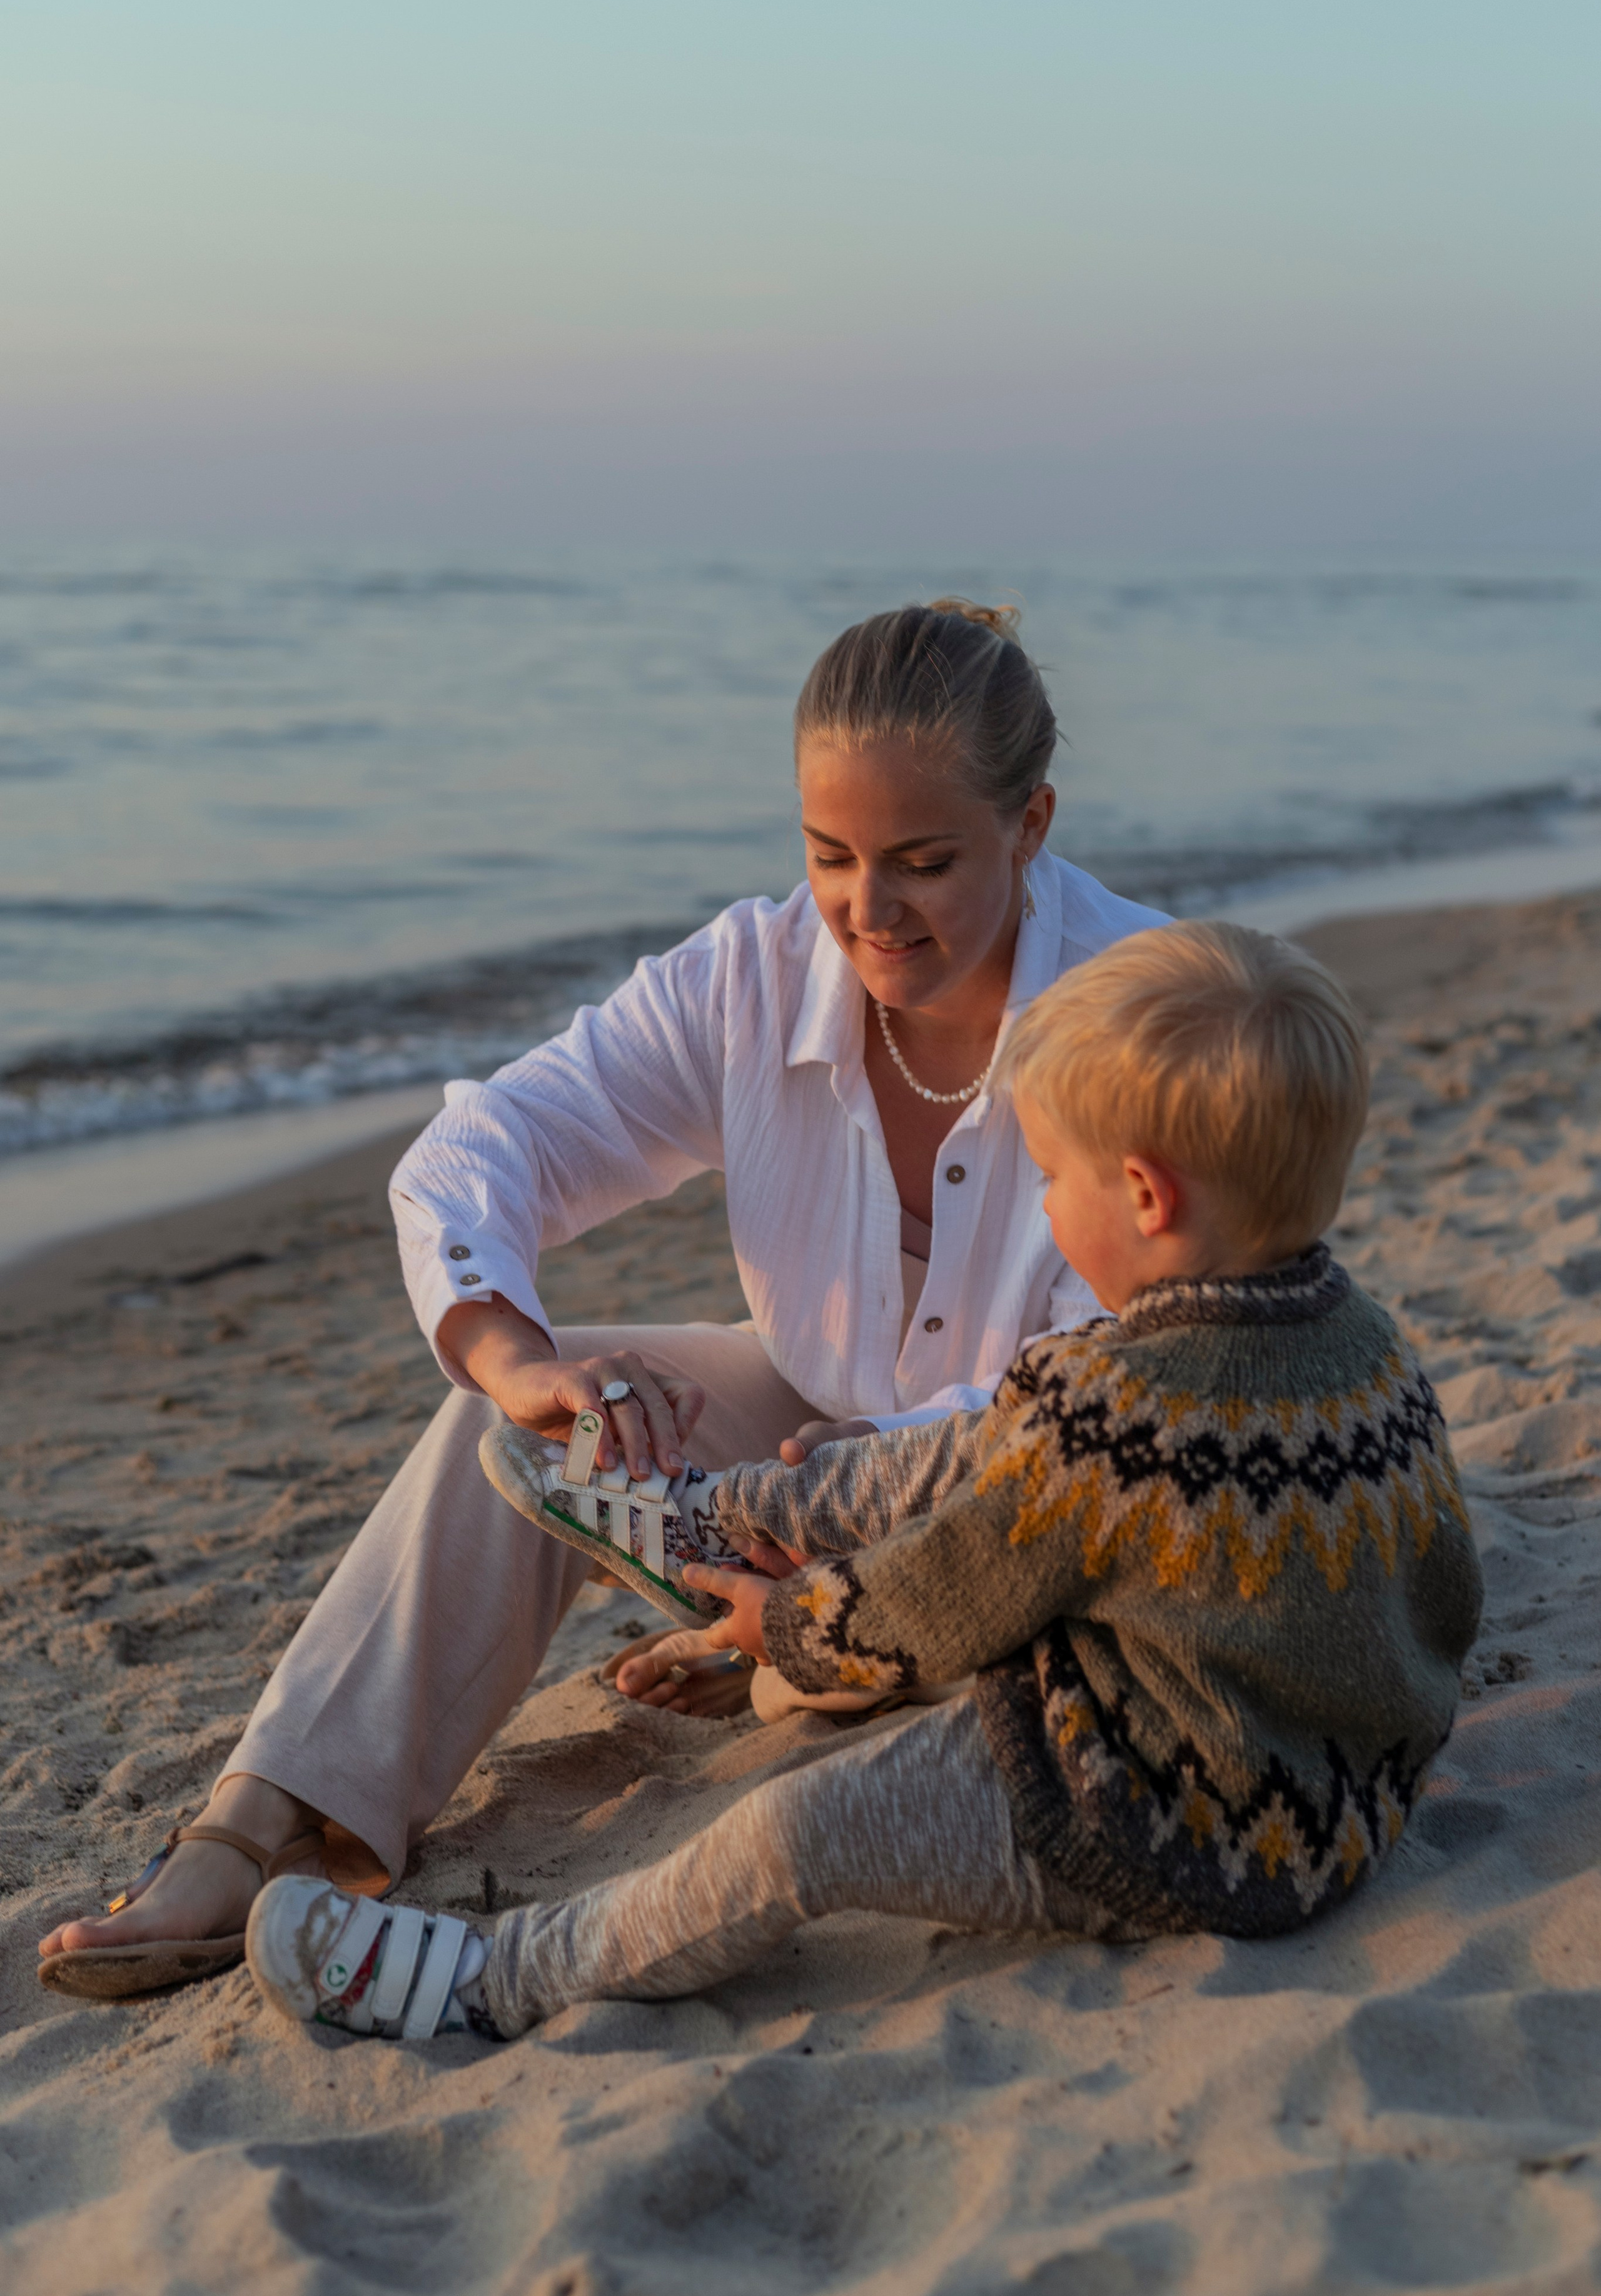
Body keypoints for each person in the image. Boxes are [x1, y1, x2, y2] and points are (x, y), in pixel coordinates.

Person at [40, 597, 1166, 1999]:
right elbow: (485, 1144)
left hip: (1036, 1494)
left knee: (968, 1622)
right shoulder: (753, 977)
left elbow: (1125, 1381)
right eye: (830, 856)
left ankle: (789, 1649)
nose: (867, 912)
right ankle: (262, 1821)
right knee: (509, 1424)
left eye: (923, 864)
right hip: (807, 1422)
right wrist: (513, 1356)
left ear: (1031, 823)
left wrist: (803, 1516)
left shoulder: (1144, 1007)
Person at [244, 920, 1484, 2043]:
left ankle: (493, 1978)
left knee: (794, 1836)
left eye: (1054, 1180)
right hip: (1350, 1798)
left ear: (1147, 1197)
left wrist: (784, 1626)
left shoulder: (1111, 1416)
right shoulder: (1369, 1352)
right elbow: (1446, 1590)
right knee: (982, 1452)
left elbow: (945, 1594)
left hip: (1161, 1822)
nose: (1048, 1208)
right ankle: (710, 1514)